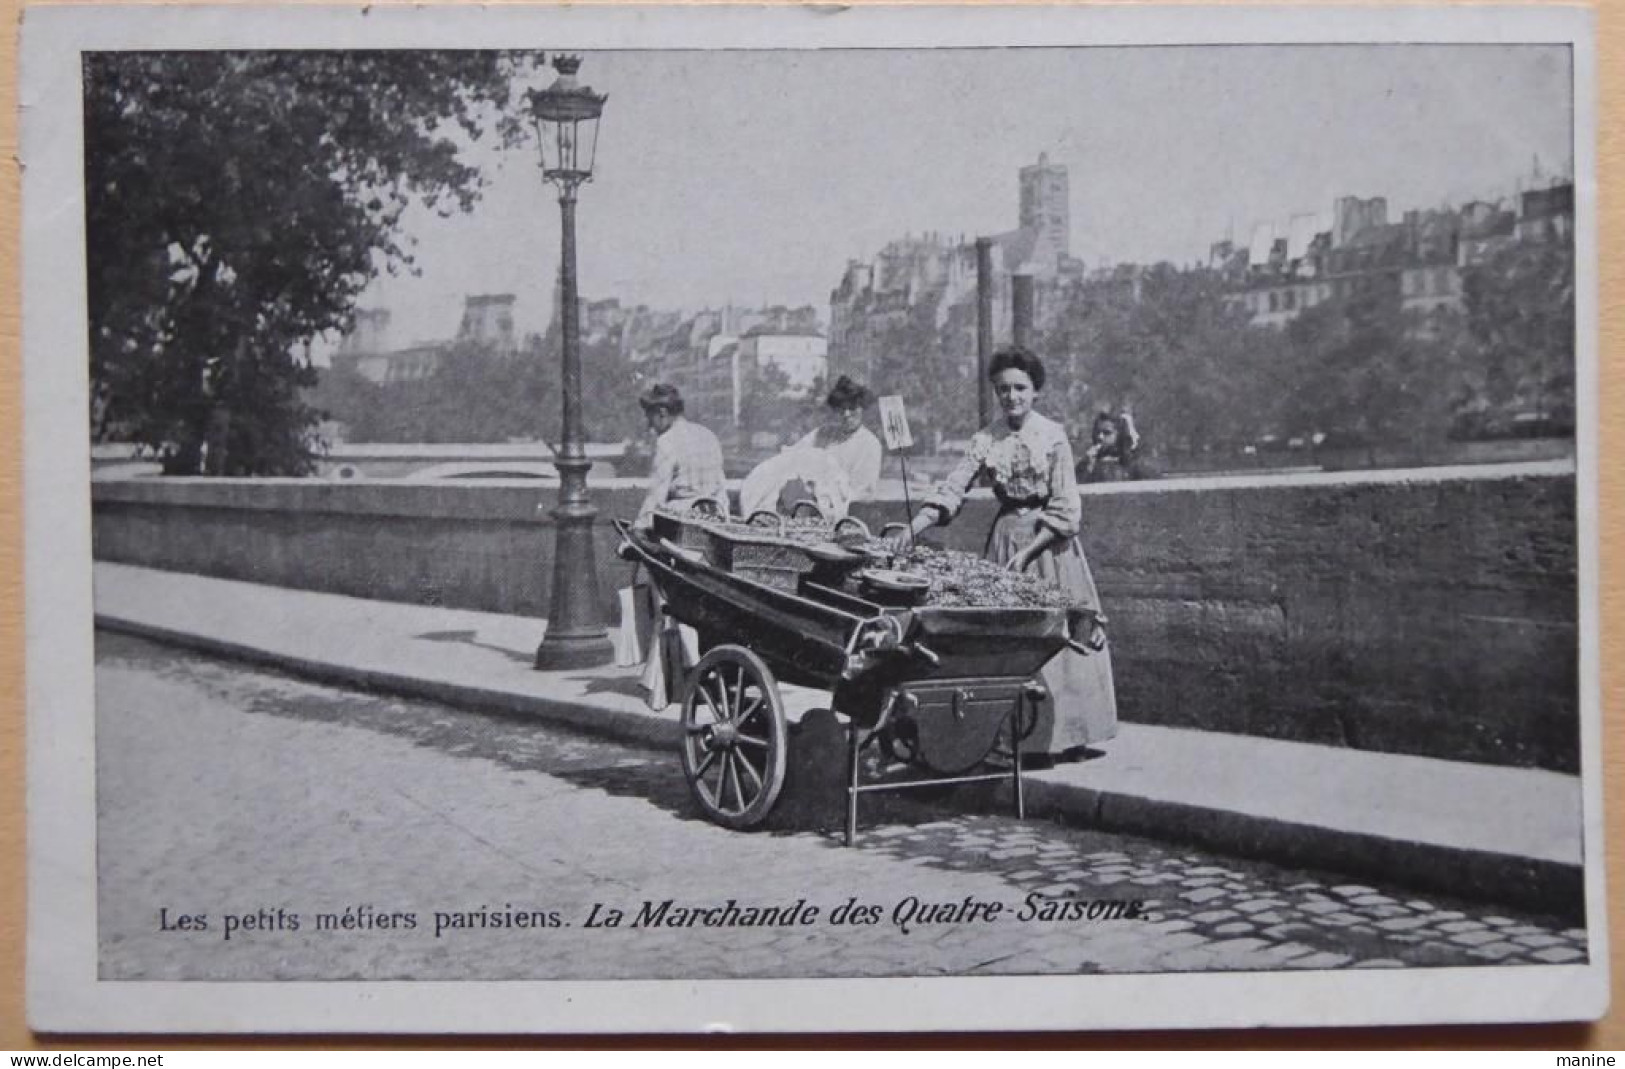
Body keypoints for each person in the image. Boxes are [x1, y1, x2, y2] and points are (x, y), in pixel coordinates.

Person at [887, 347, 1117, 757]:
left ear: (1035, 392)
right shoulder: (985, 439)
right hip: (1006, 540)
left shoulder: (1052, 436)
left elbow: (1067, 504)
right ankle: (1011, 737)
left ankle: (1066, 737)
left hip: (1049, 544)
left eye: (1020, 389)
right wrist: (913, 527)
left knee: (1059, 635)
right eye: (1003, 390)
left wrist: (1031, 550)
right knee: (1007, 641)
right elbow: (953, 489)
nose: (1012, 397)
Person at [633, 383, 728, 528]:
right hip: (714, 523)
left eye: (650, 418)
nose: (649, 425)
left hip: (682, 527)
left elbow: (656, 497)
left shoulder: (667, 441)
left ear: (662, 412)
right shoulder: (708, 435)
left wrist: (638, 527)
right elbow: (721, 487)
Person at [791, 375, 883, 503]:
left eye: (852, 408)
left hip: (849, 510)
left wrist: (826, 492)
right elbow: (794, 455)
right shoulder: (823, 433)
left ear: (862, 408)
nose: (846, 414)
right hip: (815, 504)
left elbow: (863, 492)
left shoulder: (870, 444)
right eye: (841, 409)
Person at [1078, 408, 1145, 483]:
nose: (1100, 437)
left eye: (1107, 433)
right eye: (1098, 432)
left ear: (1119, 434)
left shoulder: (1133, 464)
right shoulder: (1088, 462)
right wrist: (1088, 465)